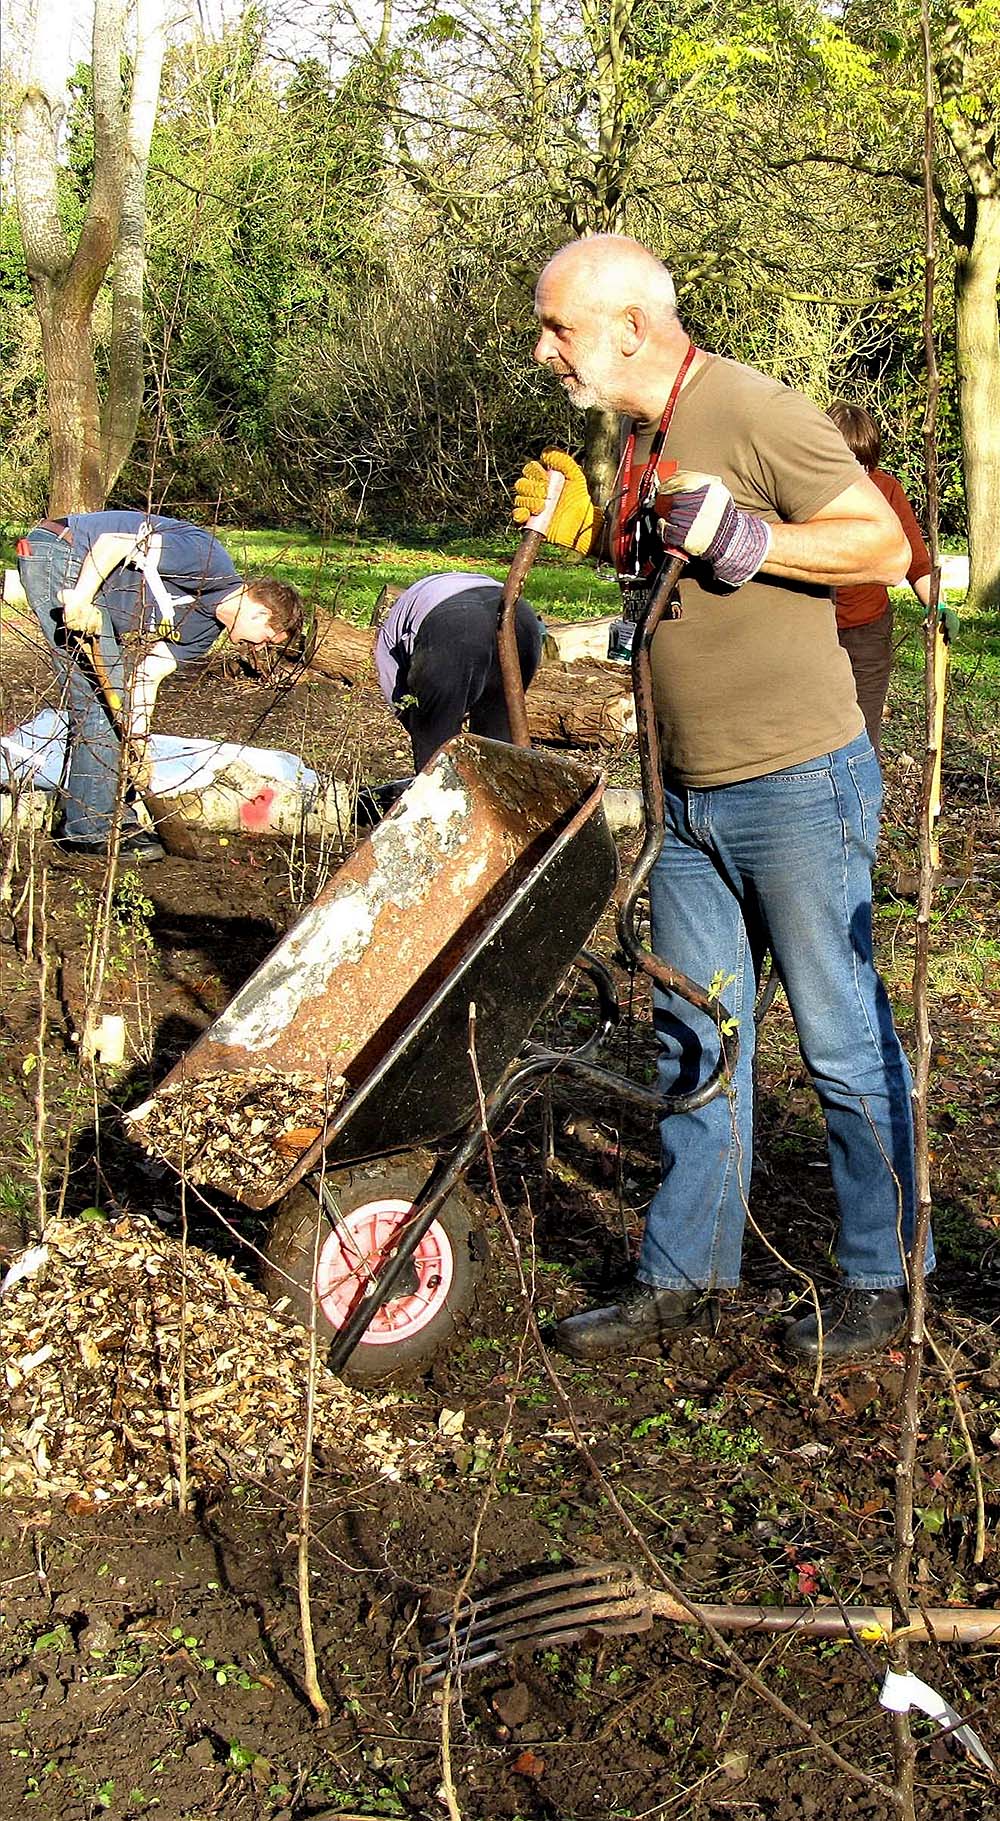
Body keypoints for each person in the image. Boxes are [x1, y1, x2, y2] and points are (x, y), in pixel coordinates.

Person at [512, 234, 929, 1364]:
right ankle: (685, 1274)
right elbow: (672, 570)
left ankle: (886, 1277)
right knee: (696, 1036)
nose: (546, 350)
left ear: (632, 327)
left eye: (560, 327)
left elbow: (882, 543)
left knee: (840, 1039)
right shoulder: (644, 435)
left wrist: (754, 537)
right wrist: (593, 529)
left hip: (795, 784)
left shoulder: (750, 406)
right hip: (685, 794)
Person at [16, 510, 303, 862]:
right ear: (260, 614)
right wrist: (81, 599)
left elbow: (147, 677)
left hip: (85, 579)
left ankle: (108, 817)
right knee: (99, 700)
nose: (258, 649)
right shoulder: (207, 561)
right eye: (266, 639)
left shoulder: (202, 633)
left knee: (113, 698)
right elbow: (112, 544)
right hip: (63, 551)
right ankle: (90, 831)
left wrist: (139, 742)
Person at [826, 401, 932, 758]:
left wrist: (938, 605)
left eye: (866, 463)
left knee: (863, 728)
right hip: (813, 631)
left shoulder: (886, 489)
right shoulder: (805, 492)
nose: (859, 472)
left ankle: (864, 808)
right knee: (819, 730)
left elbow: (916, 561)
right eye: (849, 462)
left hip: (867, 632)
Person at [373, 572, 544, 770]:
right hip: (521, 617)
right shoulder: (419, 599)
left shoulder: (385, 641)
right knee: (497, 749)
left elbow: (400, 697)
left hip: (455, 624)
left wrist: (423, 726)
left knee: (436, 755)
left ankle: (441, 799)